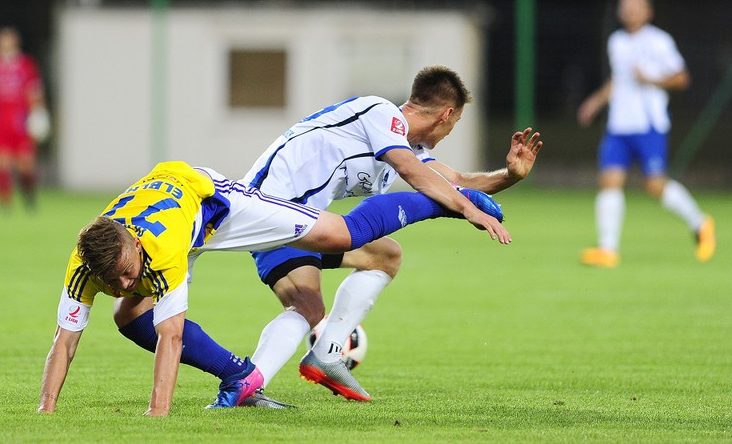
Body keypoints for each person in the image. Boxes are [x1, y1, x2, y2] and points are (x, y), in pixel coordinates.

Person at [38, 161, 509, 416]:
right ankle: (239, 375)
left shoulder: (155, 250)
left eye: (127, 272)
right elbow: (65, 340)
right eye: (112, 279)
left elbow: (172, 335)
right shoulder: (88, 263)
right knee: (128, 316)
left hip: (217, 204)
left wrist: (157, 415)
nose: (123, 284)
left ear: (133, 247)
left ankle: (450, 203)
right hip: (168, 209)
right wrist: (47, 409)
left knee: (341, 235)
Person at [239, 64, 543, 403]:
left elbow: (455, 182)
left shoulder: (403, 144)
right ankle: (259, 380)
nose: (449, 132)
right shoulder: (381, 114)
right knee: (316, 291)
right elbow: (412, 172)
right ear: (446, 115)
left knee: (380, 258)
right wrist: (468, 210)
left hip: (300, 218)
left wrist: (511, 175)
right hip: (270, 205)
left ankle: (314, 360)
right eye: (454, 124)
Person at [577, 0, 716, 268]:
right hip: (619, 125)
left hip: (648, 124)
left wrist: (651, 79)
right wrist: (596, 101)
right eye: (624, 7)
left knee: (654, 185)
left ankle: (700, 223)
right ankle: (608, 249)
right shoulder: (616, 41)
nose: (628, 11)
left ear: (648, 11)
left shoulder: (659, 41)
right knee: (609, 181)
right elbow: (618, 80)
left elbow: (681, 78)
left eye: (634, 6)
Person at [0, 27, 51, 210]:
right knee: (2, 163)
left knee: (26, 165)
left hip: (21, 123)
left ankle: (29, 197)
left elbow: (34, 92)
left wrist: (38, 114)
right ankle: (5, 204)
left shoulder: (26, 65)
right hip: (0, 122)